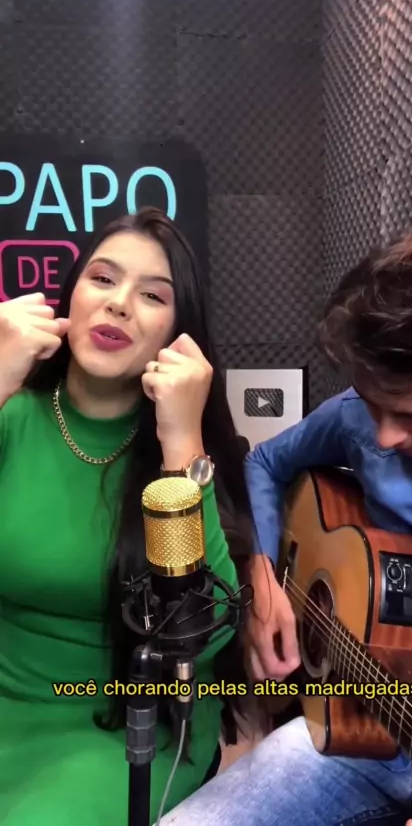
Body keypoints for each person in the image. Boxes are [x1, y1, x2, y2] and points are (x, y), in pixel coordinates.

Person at [159, 230, 412, 825]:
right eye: (373, 405)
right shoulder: (359, 419)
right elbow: (263, 462)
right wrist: (265, 580)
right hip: (363, 726)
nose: (384, 436)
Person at [0, 206, 253, 825]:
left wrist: (182, 441)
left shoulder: (180, 448)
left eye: (152, 295)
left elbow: (202, 630)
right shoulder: (14, 416)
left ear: (177, 332)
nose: (118, 304)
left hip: (130, 729)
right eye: (103, 279)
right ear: (71, 295)